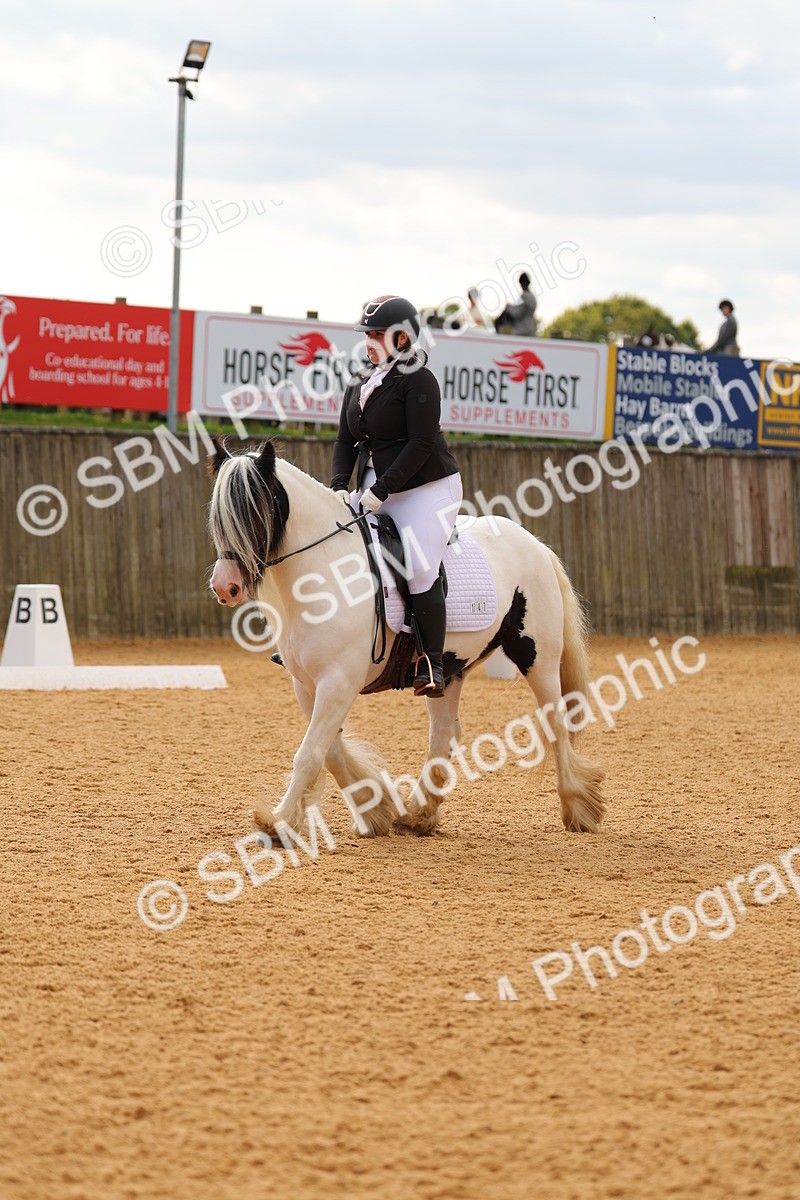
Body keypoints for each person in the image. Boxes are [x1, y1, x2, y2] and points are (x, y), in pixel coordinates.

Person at [330, 295, 463, 698]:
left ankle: (431, 662)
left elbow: (421, 443)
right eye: (366, 334)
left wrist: (381, 491)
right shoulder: (360, 379)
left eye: (376, 335)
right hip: (374, 488)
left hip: (426, 489)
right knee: (337, 548)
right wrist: (339, 486)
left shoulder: (419, 378)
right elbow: (345, 440)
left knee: (420, 568)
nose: (368, 342)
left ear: (402, 338)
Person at [494, 272, 537, 337]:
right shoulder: (532, 297)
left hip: (522, 329)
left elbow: (518, 313)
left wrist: (509, 308)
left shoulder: (525, 296)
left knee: (502, 331)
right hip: (531, 328)